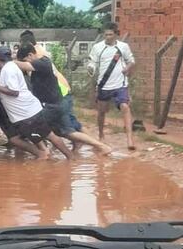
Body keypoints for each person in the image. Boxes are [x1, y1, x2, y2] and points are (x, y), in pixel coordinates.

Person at [16, 44, 111, 154]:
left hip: (51, 106)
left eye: (25, 60)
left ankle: (43, 153)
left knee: (33, 126)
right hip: (56, 104)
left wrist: (10, 63)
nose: (25, 62)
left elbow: (24, 66)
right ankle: (100, 146)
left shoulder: (43, 62)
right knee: (67, 132)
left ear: (30, 55)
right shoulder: (42, 62)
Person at [0, 46, 73, 160]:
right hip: (27, 111)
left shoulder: (7, 70)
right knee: (43, 136)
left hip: (26, 113)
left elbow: (14, 92)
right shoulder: (11, 67)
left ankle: (48, 155)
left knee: (43, 136)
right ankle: (60, 156)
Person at [88, 22, 137, 150]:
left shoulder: (123, 47)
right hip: (104, 85)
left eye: (110, 34)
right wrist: (91, 69)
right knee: (102, 111)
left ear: (116, 35)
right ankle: (101, 134)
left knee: (125, 107)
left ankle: (130, 140)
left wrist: (127, 68)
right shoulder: (98, 48)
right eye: (106, 35)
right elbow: (92, 62)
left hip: (120, 84)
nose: (108, 37)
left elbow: (131, 61)